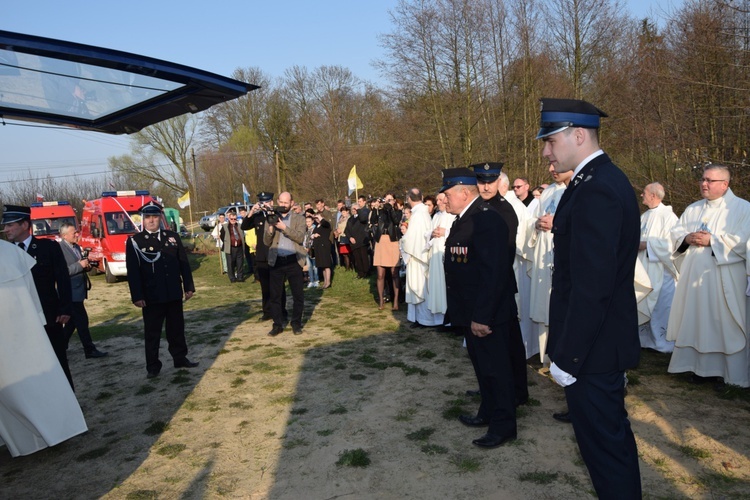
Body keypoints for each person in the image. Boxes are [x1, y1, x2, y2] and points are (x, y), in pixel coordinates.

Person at [538, 98, 641, 497]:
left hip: (594, 352)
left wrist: (571, 357)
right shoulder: (593, 181)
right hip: (596, 347)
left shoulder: (596, 188)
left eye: (551, 140)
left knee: (606, 451)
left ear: (578, 135)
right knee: (606, 448)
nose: (546, 151)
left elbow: (592, 285)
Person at [441, 168, 516, 448]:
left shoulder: (486, 220)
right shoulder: (466, 219)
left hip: (487, 315)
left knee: (496, 370)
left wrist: (482, 316)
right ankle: (487, 412)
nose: (444, 200)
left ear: (464, 192)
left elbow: (494, 273)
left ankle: (503, 425)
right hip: (471, 311)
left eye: (448, 194)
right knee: (483, 368)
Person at [0, 238, 88, 457]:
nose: (8, 229)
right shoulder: (14, 251)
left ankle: (57, 424)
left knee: (43, 376)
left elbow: (42, 287)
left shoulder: (15, 253)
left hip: (30, 327)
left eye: (12, 225)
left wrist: (44, 316)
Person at [667, 165, 750, 386]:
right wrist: (687, 238)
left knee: (723, 323)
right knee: (697, 321)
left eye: (710, 181)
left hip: (724, 279)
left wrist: (712, 241)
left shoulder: (742, 209)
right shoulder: (693, 209)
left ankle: (727, 373)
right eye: (703, 179)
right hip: (694, 281)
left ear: (725, 184)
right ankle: (698, 368)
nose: (704, 184)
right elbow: (675, 233)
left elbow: (744, 241)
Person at [472, 163, 528, 406]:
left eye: (490, 181)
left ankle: (512, 392)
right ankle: (507, 389)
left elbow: (501, 255)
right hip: (493, 284)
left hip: (499, 284)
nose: (485, 186)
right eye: (481, 181)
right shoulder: (482, 208)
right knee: (507, 343)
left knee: (505, 345)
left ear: (498, 183)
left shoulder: (503, 211)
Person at [2, 205, 75, 390]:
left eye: (10, 225)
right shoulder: (5, 253)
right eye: (5, 225)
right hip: (18, 320)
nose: (6, 229)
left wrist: (65, 308)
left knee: (57, 360)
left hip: (49, 316)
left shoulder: (47, 247)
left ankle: (67, 402)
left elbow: (63, 279)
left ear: (25, 224)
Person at [125, 200, 198, 378]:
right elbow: (133, 272)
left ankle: (180, 358)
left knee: (176, 329)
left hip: (173, 292)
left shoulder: (172, 237)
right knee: (152, 333)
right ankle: (153, 366)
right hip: (152, 296)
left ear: (160, 218)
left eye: (154, 217)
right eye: (147, 217)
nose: (151, 220)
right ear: (142, 219)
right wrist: (137, 295)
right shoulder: (135, 241)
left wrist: (188, 286)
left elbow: (183, 264)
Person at [526, 163, 572, 365]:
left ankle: (564, 357)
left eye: (557, 165)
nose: (552, 169)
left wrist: (558, 224)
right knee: (545, 306)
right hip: (543, 253)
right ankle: (546, 354)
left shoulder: (577, 191)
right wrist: (536, 225)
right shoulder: (548, 192)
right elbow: (532, 221)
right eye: (550, 166)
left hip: (563, 254)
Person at [637, 182, 679, 353]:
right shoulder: (644, 216)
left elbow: (672, 245)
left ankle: (663, 343)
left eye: (644, 193)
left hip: (662, 272)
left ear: (653, 195)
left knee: (661, 307)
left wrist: (647, 245)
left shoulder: (668, 217)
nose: (641, 195)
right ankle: (645, 340)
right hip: (644, 268)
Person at [58, 222, 108, 359]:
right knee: (81, 321)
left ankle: (59, 346)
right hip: (70, 292)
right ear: (64, 235)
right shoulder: (59, 250)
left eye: (76, 232)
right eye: (74, 233)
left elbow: (80, 264)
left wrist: (86, 266)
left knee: (72, 322)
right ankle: (89, 349)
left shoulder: (76, 247)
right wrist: (79, 266)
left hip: (79, 291)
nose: (77, 234)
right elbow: (61, 272)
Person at [264, 192, 306, 336]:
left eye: (286, 203)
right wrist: (270, 228)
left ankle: (296, 323)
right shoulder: (271, 216)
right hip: (276, 261)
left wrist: (283, 227)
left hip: (294, 260)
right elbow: (266, 241)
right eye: (280, 202)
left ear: (292, 203)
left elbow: (300, 237)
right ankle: (277, 324)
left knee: (298, 295)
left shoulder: (299, 218)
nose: (282, 205)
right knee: (275, 296)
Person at [402, 188, 442, 327]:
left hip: (418, 256)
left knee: (419, 287)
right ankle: (418, 318)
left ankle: (424, 319)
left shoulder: (419, 215)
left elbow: (411, 238)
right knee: (420, 286)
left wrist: (402, 242)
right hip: (420, 254)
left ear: (408, 199)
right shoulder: (422, 213)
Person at [243, 192, 284, 321]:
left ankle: (281, 311)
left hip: (276, 254)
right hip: (261, 256)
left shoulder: (277, 214)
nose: (264, 204)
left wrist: (271, 211)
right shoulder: (258, 216)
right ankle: (267, 312)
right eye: (262, 202)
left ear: (272, 202)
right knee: (265, 287)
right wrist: (251, 212)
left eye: (266, 202)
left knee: (278, 286)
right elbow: (244, 226)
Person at [426, 192, 455, 320]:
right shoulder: (436, 216)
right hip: (435, 255)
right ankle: (439, 317)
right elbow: (427, 233)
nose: (437, 203)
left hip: (446, 254)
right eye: (437, 200)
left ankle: (449, 317)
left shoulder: (453, 215)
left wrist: (445, 232)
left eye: (440, 200)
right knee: (437, 284)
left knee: (446, 284)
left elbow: (460, 232)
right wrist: (432, 233)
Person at [370, 193, 402, 310]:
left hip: (392, 241)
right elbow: (373, 221)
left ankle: (396, 302)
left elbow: (396, 221)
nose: (388, 202)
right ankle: (381, 301)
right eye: (386, 200)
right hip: (380, 241)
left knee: (394, 273)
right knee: (380, 274)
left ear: (394, 201)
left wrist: (390, 209)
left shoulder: (397, 211)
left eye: (390, 200)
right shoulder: (381, 211)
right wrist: (375, 208)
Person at [347, 200, 370, 279]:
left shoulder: (362, 217)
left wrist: (359, 210)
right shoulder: (350, 219)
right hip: (353, 242)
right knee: (357, 258)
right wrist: (350, 237)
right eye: (352, 209)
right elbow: (347, 230)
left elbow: (363, 219)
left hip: (362, 241)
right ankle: (360, 272)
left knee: (364, 257)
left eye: (355, 209)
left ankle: (366, 272)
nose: (354, 211)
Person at [220, 209, 245, 283]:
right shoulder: (225, 226)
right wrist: (228, 242)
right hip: (230, 248)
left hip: (239, 247)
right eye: (232, 219)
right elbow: (222, 236)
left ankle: (240, 277)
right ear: (229, 218)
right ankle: (232, 277)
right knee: (230, 263)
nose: (233, 220)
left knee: (240, 263)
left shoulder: (240, 226)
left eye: (235, 218)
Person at [310, 212, 333, 289]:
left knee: (326, 265)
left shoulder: (325, 224)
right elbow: (312, 234)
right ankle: (325, 282)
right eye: (315, 218)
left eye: (317, 218)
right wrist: (313, 235)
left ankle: (328, 282)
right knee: (322, 265)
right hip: (318, 247)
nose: (316, 219)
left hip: (324, 246)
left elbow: (326, 224)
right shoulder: (317, 226)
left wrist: (320, 217)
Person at [303, 213, 319, 287]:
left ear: (312, 221)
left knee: (315, 266)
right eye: (306, 222)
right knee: (309, 266)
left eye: (309, 221)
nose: (308, 223)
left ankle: (316, 280)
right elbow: (304, 239)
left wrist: (309, 246)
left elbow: (313, 239)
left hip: (313, 249)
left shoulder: (315, 228)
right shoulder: (305, 229)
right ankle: (311, 280)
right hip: (306, 249)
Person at [335, 205, 352, 271]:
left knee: (348, 253)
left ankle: (350, 266)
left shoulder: (349, 218)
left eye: (344, 212)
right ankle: (347, 266)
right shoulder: (340, 218)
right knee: (344, 253)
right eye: (342, 212)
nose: (343, 214)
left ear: (347, 212)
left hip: (346, 236)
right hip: (341, 236)